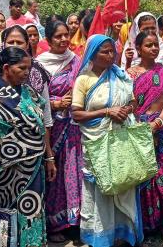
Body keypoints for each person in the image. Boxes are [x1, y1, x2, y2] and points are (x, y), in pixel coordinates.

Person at [0, 47, 53, 247]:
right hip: (6, 177)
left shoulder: (29, 92)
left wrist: (48, 157)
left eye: (29, 68)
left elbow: (40, 125)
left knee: (32, 213)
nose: (27, 72)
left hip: (33, 171)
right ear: (7, 68)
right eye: (22, 68)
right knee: (7, 223)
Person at [70, 35, 144, 247]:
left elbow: (132, 101)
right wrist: (106, 112)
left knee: (124, 183)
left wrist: (125, 110)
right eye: (104, 51)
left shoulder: (120, 75)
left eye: (112, 51)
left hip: (121, 139)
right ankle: (101, 237)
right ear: (92, 54)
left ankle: (123, 235)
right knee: (100, 188)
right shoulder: (83, 79)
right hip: (96, 142)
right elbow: (76, 114)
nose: (110, 56)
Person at [126, 30, 163, 241]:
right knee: (144, 175)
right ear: (139, 49)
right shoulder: (129, 74)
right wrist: (142, 125)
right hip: (139, 128)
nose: (154, 49)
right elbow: (130, 103)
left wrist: (158, 122)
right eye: (149, 45)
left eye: (156, 45)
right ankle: (148, 224)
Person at [36, 21, 84, 242]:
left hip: (74, 127)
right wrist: (55, 103)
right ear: (48, 39)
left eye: (67, 35)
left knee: (75, 171)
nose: (64, 40)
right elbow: (33, 98)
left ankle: (76, 221)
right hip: (52, 128)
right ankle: (54, 224)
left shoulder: (76, 60)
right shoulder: (39, 65)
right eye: (58, 37)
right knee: (54, 173)